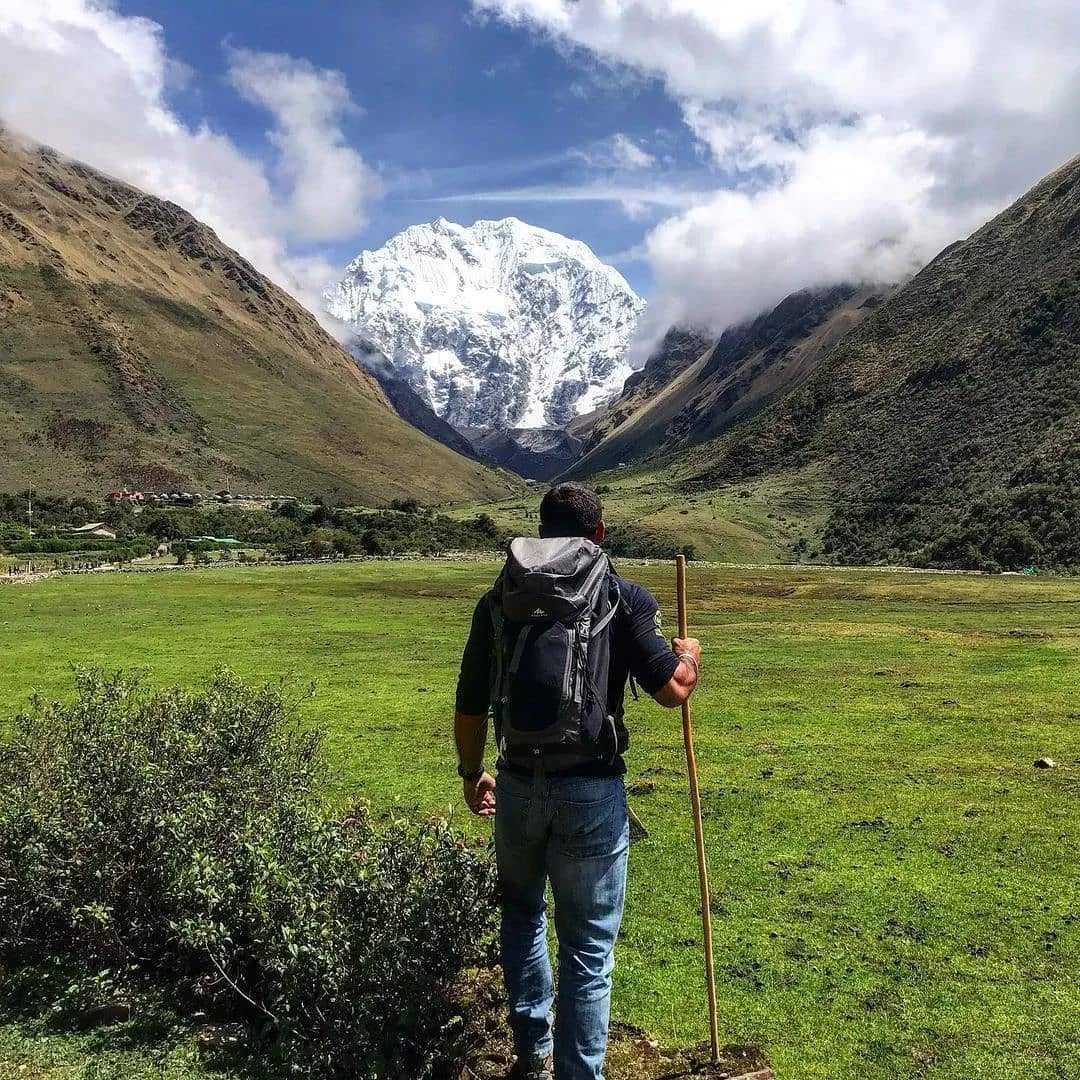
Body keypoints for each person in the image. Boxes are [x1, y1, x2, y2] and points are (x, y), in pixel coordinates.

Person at [454, 483, 702, 1080]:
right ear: (599, 534)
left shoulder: (499, 599)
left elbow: (468, 703)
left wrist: (471, 772)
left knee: (521, 913)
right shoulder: (621, 593)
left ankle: (530, 1054)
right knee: (588, 948)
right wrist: (689, 654)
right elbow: (672, 690)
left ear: (539, 532)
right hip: (592, 789)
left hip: (516, 781)